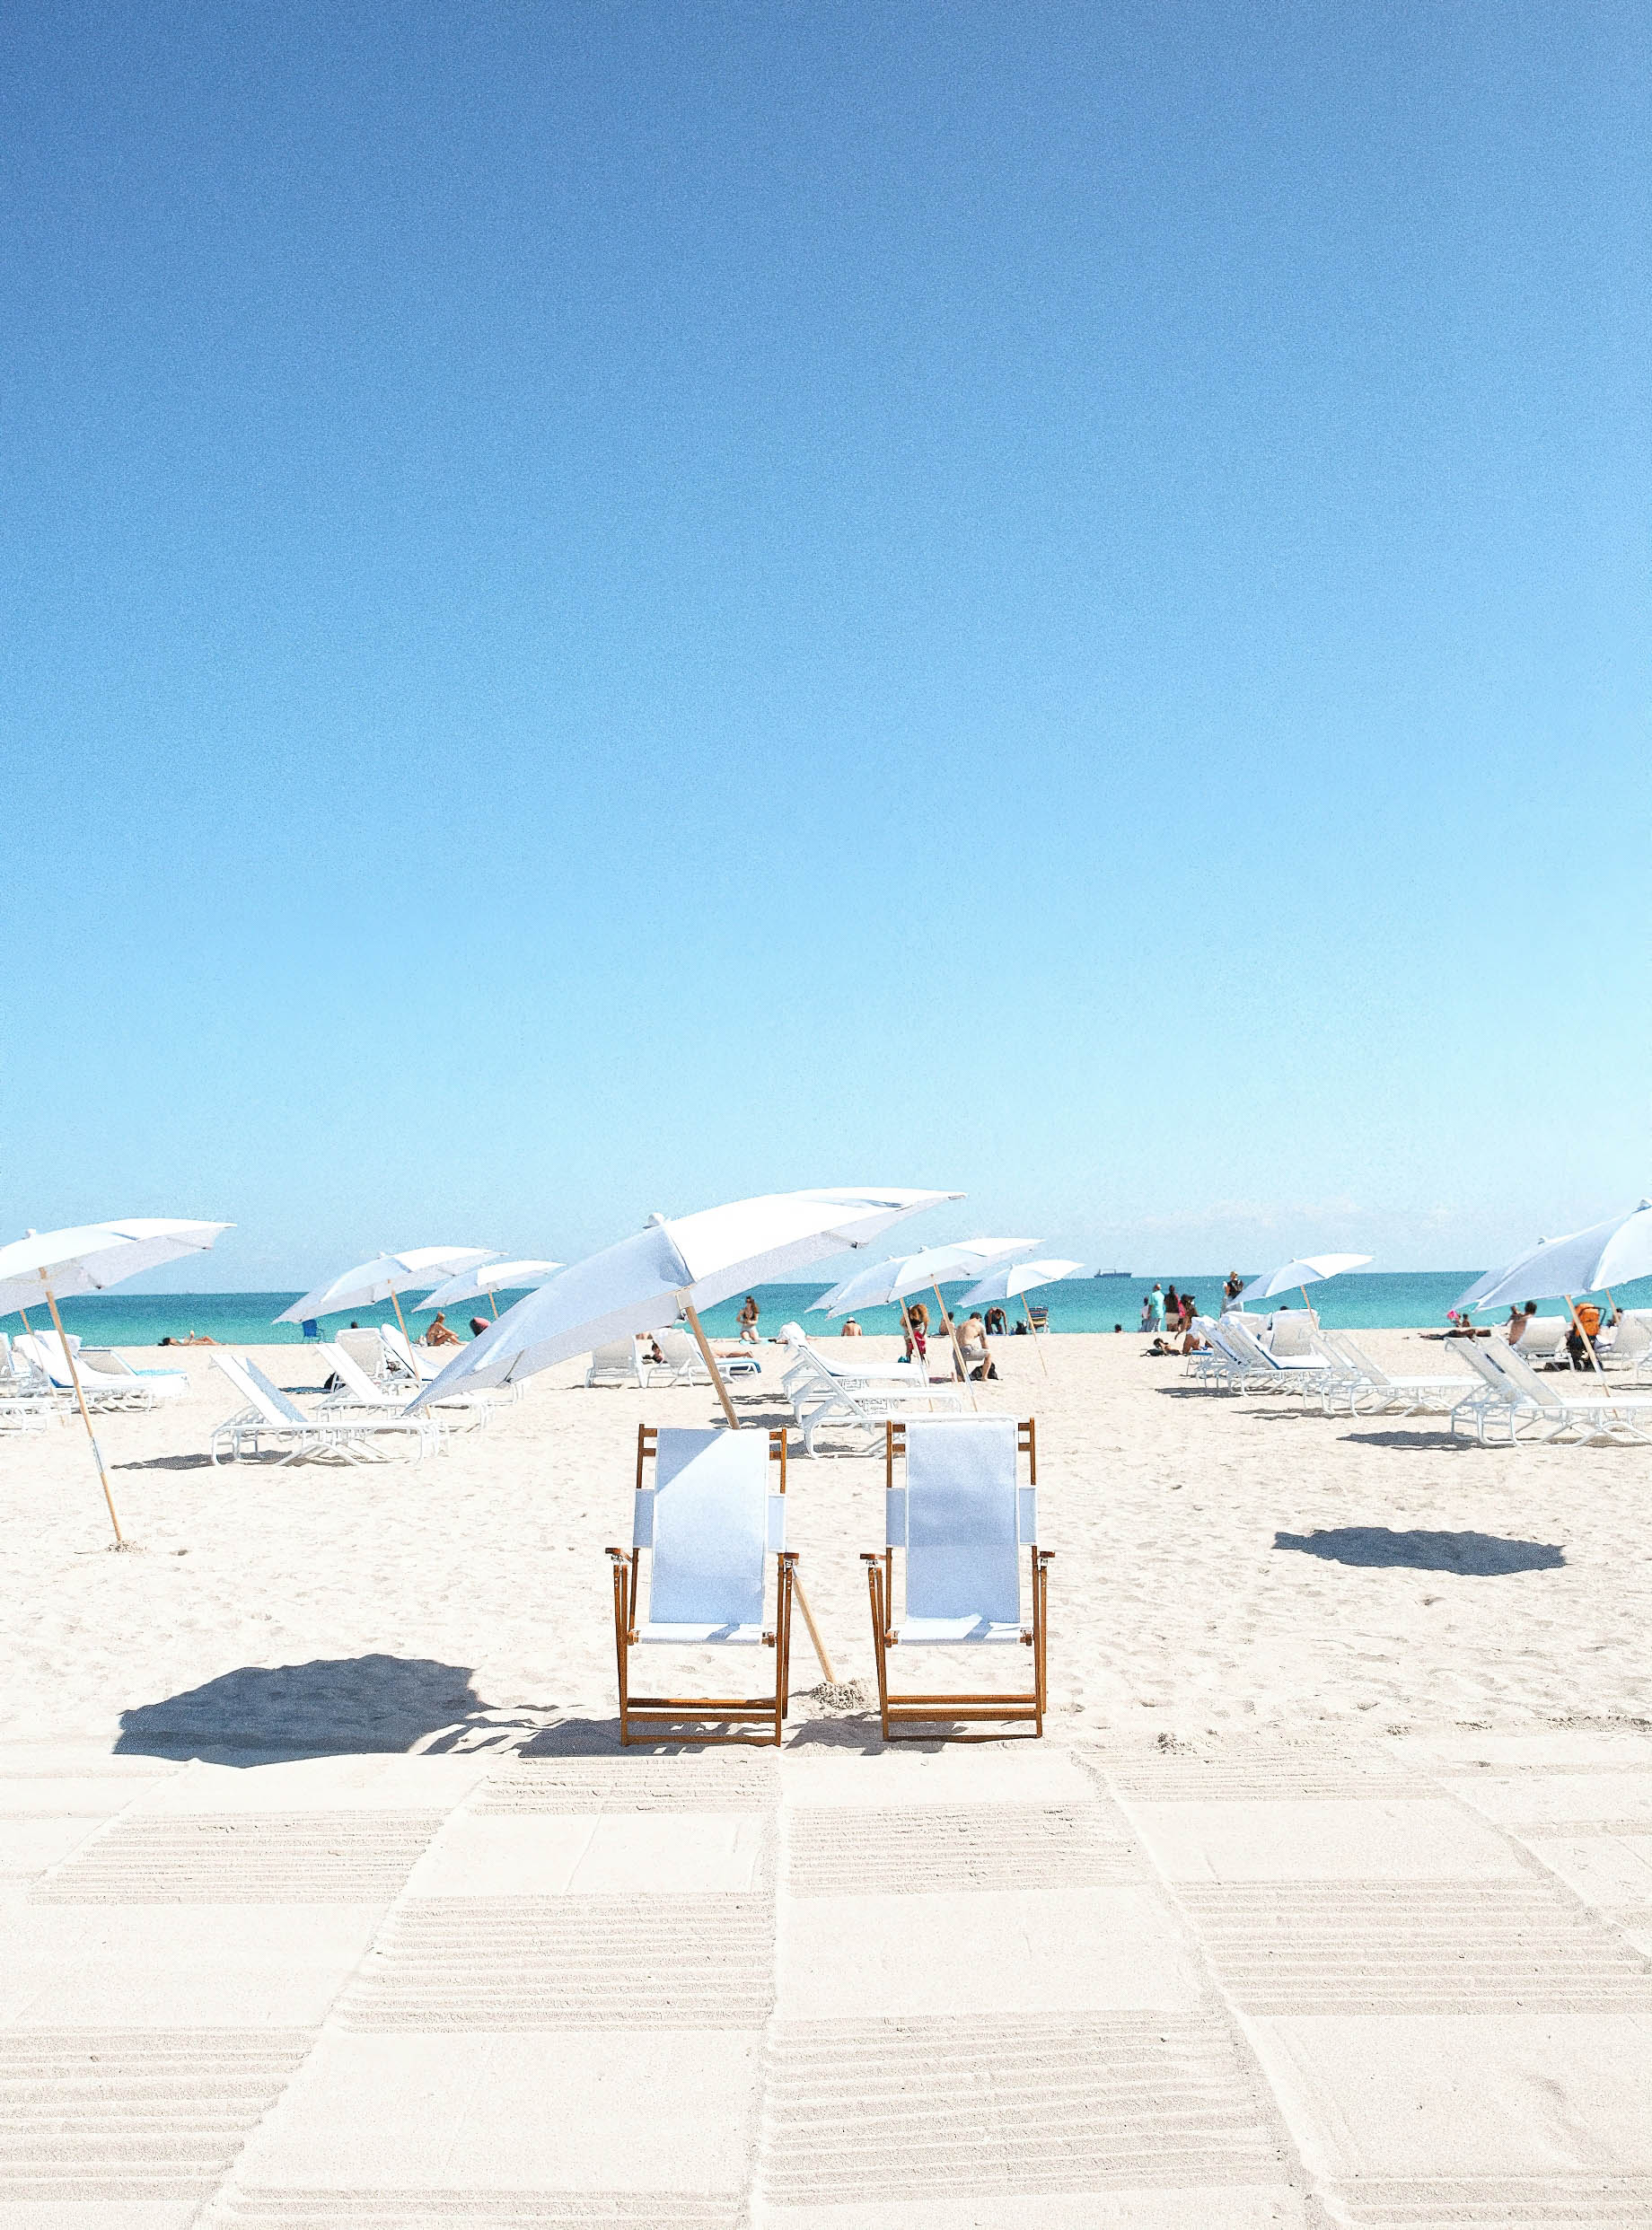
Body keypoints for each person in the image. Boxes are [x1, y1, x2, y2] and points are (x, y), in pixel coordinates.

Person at [957, 1313, 998, 1381]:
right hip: (967, 1350)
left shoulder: (961, 1325)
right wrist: (988, 1361)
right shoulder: (979, 1325)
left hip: (956, 1352)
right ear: (979, 1319)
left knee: (961, 1377)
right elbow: (984, 1344)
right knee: (989, 1354)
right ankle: (984, 1377)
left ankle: (960, 1377)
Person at [902, 1300, 928, 1364]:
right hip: (909, 1333)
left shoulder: (920, 1316)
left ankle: (921, 1362)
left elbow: (926, 1323)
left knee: (920, 1349)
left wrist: (923, 1333)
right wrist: (909, 1334)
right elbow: (904, 1325)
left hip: (917, 1333)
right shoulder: (907, 1317)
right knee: (909, 1350)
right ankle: (908, 1361)